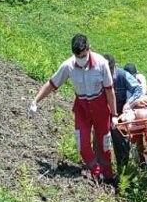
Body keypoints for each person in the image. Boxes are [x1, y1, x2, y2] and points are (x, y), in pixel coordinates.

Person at [29, 34, 117, 183]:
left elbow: (109, 90)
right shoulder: (68, 66)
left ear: (89, 49)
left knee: (104, 145)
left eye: (83, 55)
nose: (81, 59)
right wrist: (35, 101)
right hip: (82, 108)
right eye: (78, 56)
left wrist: (114, 114)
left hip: (100, 107)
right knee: (82, 145)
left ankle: (109, 177)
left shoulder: (101, 64)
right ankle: (97, 174)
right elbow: (52, 84)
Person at [105, 54, 143, 170]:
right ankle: (106, 172)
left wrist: (129, 103)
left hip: (120, 118)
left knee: (122, 145)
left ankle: (123, 173)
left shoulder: (123, 75)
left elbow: (138, 89)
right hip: (104, 115)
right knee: (103, 145)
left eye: (109, 71)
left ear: (114, 67)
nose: (108, 75)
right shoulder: (98, 75)